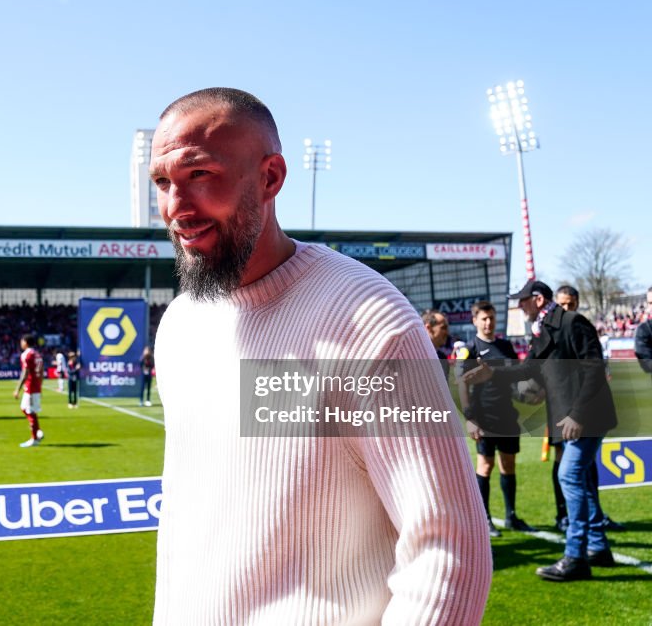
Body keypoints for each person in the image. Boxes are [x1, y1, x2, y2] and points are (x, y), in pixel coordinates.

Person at [149, 87, 489, 623]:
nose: (176, 207)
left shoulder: (369, 320)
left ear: (270, 178)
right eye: (163, 183)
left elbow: (449, 546)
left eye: (200, 174)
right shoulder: (179, 325)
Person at [464, 280, 617, 581]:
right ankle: (598, 547)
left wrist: (577, 415)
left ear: (537, 300)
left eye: (521, 301)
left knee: (569, 476)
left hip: (585, 418)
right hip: (570, 418)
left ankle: (576, 556)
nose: (518, 307)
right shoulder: (544, 328)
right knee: (582, 479)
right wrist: (493, 373)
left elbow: (595, 368)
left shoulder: (572, 322)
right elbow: (527, 369)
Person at [455, 301, 535, 537]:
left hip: (507, 415)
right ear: (475, 321)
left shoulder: (505, 346)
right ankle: (485, 519)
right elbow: (462, 385)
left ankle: (511, 516)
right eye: (484, 319)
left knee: (508, 464)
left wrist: (527, 393)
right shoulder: (470, 349)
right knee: (485, 466)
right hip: (484, 417)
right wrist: (470, 418)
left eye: (491, 318)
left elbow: (517, 375)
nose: (488, 322)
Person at [553, 284, 625, 533]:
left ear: (577, 303)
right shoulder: (556, 330)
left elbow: (594, 370)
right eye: (562, 304)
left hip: (582, 415)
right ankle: (580, 526)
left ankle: (584, 536)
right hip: (564, 412)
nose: (566, 308)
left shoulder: (579, 326)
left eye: (570, 304)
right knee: (572, 471)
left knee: (575, 472)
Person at [13, 334, 45, 447]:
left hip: (31, 387)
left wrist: (17, 389)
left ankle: (34, 439)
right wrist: (40, 385)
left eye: (22, 341)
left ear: (25, 342)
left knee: (30, 411)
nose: (21, 343)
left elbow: (25, 373)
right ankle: (38, 431)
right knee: (24, 408)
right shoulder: (37, 354)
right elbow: (42, 371)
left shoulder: (26, 355)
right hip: (35, 386)